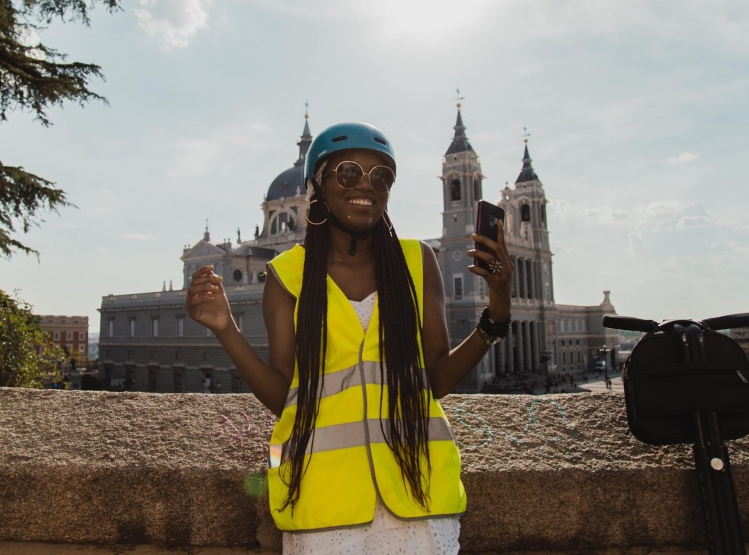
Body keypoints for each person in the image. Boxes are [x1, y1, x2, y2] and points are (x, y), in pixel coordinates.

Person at [187, 123, 513, 555]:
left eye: (381, 176)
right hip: (326, 500)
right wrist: (226, 328)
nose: (366, 185)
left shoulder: (419, 261)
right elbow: (285, 394)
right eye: (347, 173)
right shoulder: (287, 273)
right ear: (317, 186)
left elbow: (436, 380)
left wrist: (499, 306)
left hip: (418, 496)